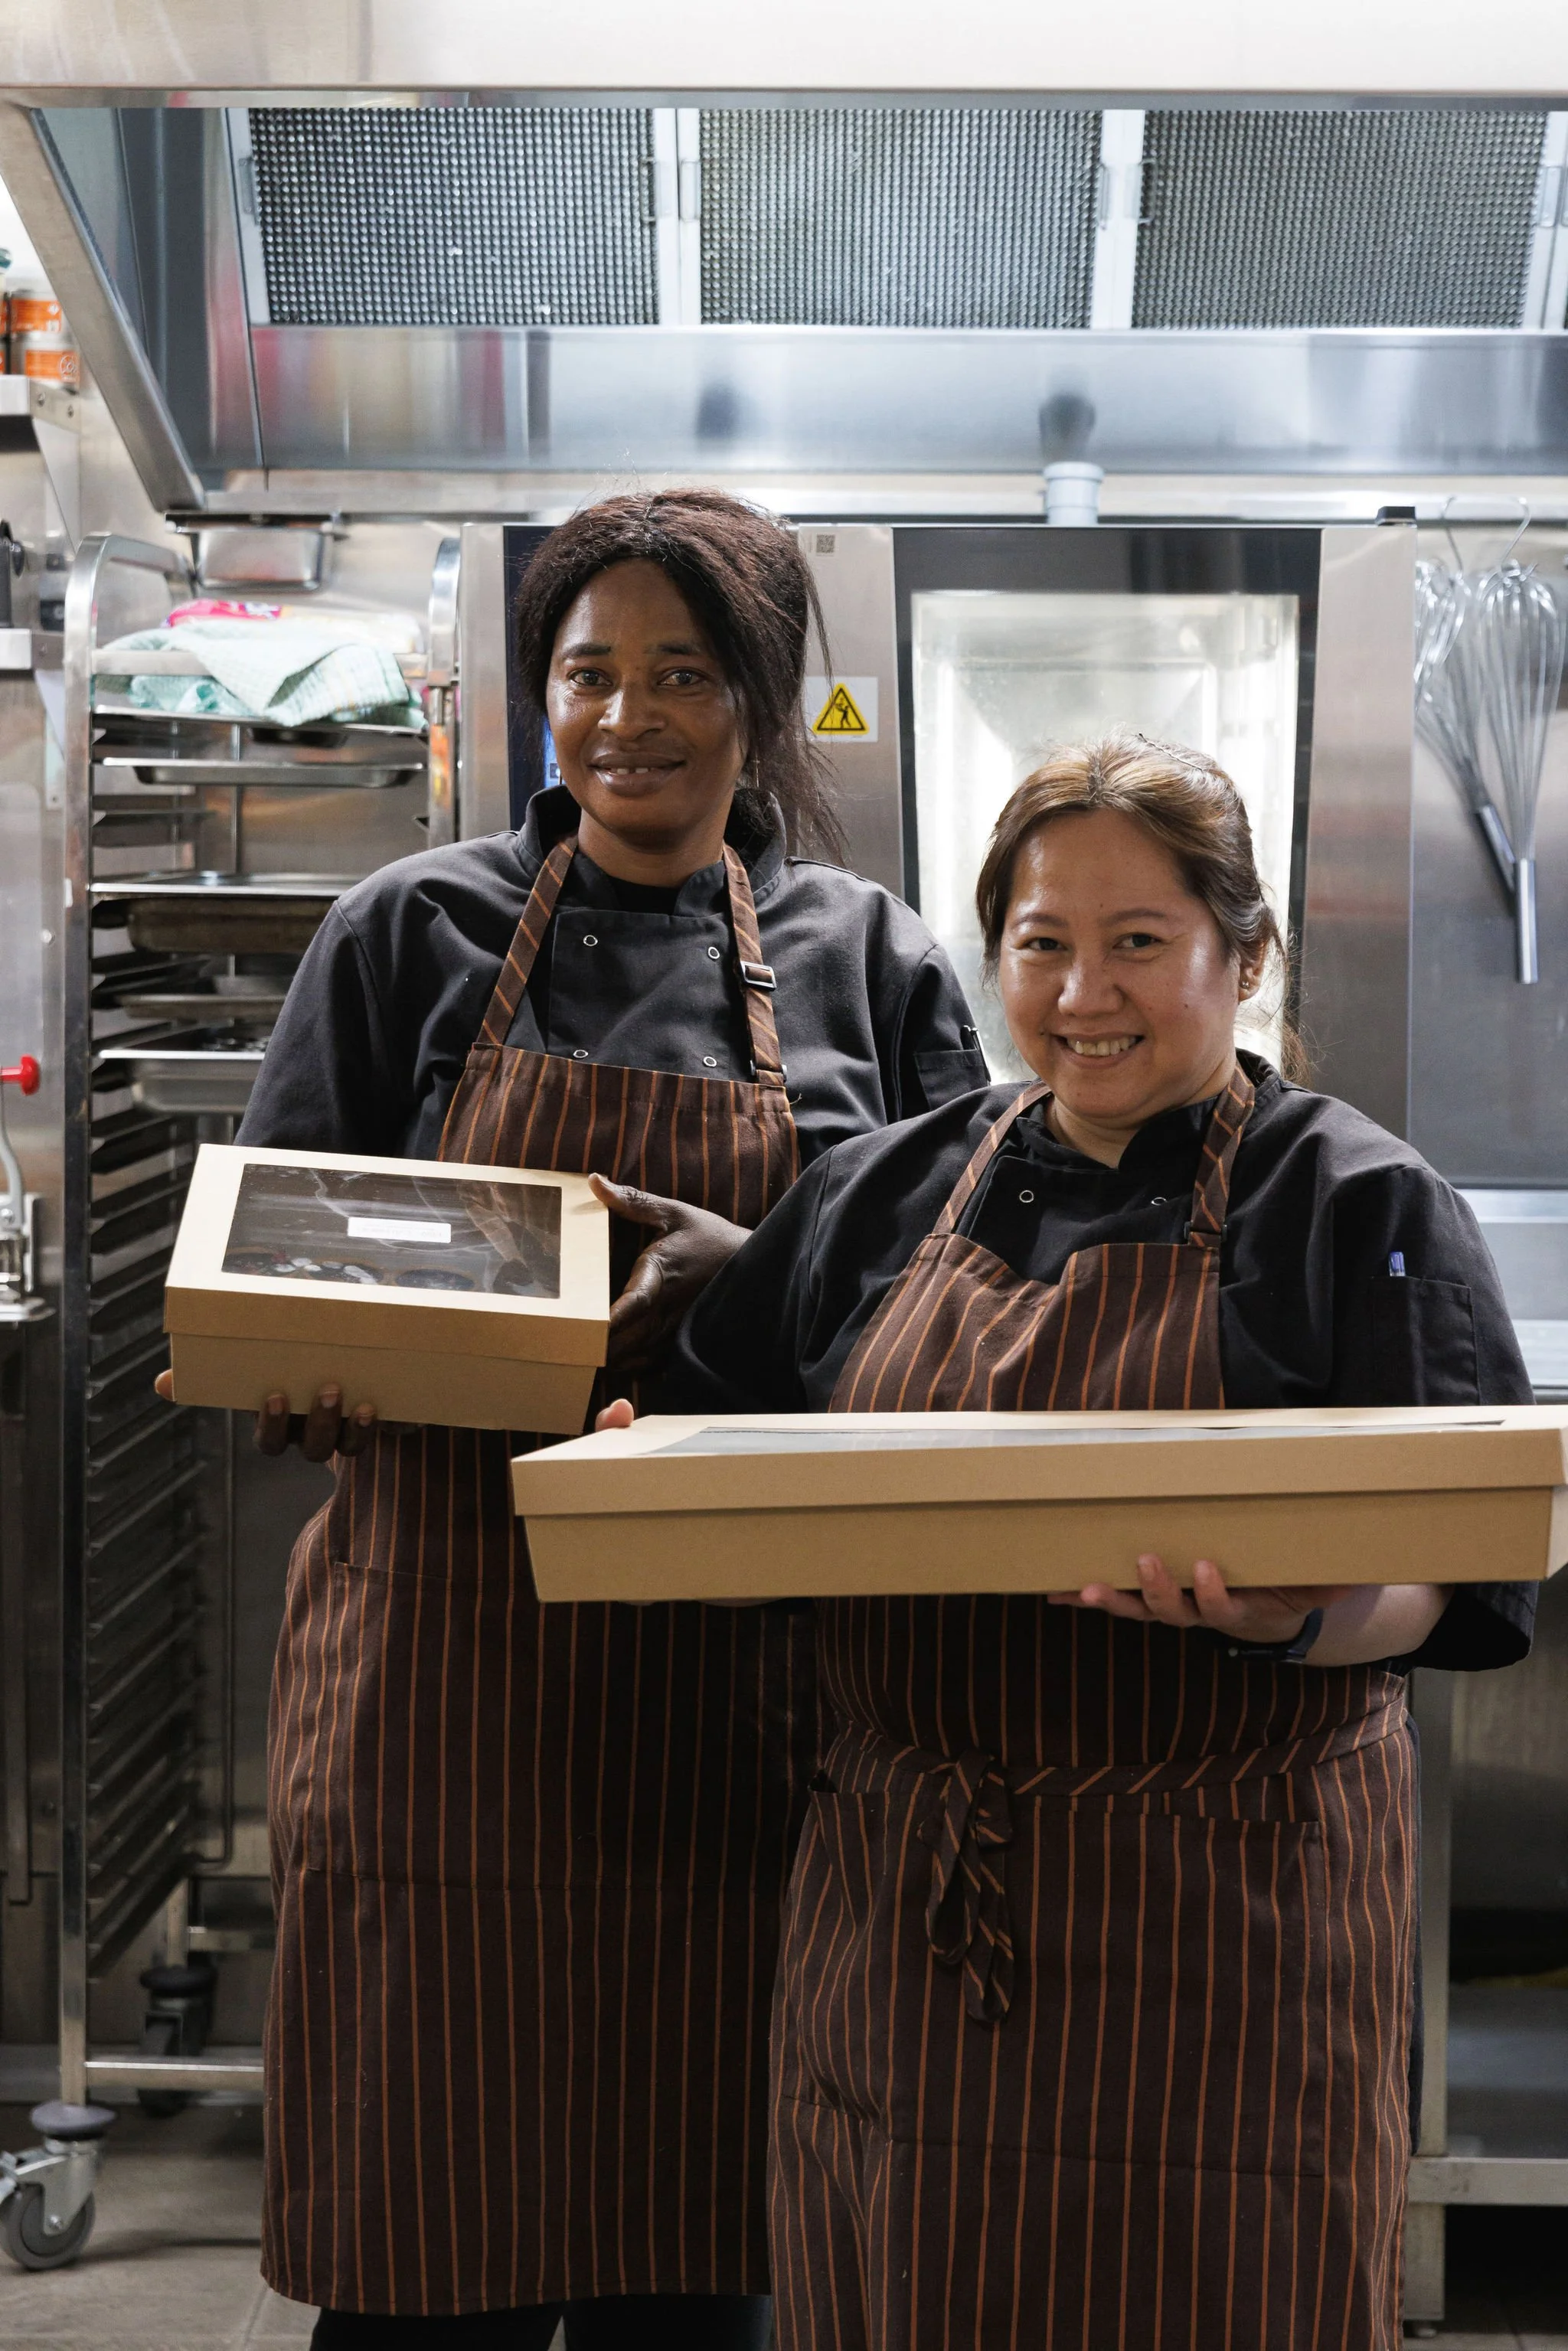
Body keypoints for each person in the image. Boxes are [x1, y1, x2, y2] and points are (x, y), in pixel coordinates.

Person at [655, 734, 1536, 2351]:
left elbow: (1451, 1572)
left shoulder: (1356, 1204)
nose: (1081, 992)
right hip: (906, 1923)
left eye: (1139, 941)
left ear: (1243, 955)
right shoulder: (883, 1189)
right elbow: (715, 1442)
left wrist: (1294, 1615)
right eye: (1040, 942)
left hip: (1217, 1938)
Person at [220, 491, 989, 2344]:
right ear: (538, 692)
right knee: (425, 2249)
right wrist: (300, 1355)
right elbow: (265, 1245)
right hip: (441, 1673)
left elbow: (959, 1308)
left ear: (759, 699)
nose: (625, 716)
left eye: (679, 673)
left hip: (725, 1698)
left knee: (694, 2256)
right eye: (587, 672)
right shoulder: (408, 928)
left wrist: (760, 1265)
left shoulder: (862, 958)